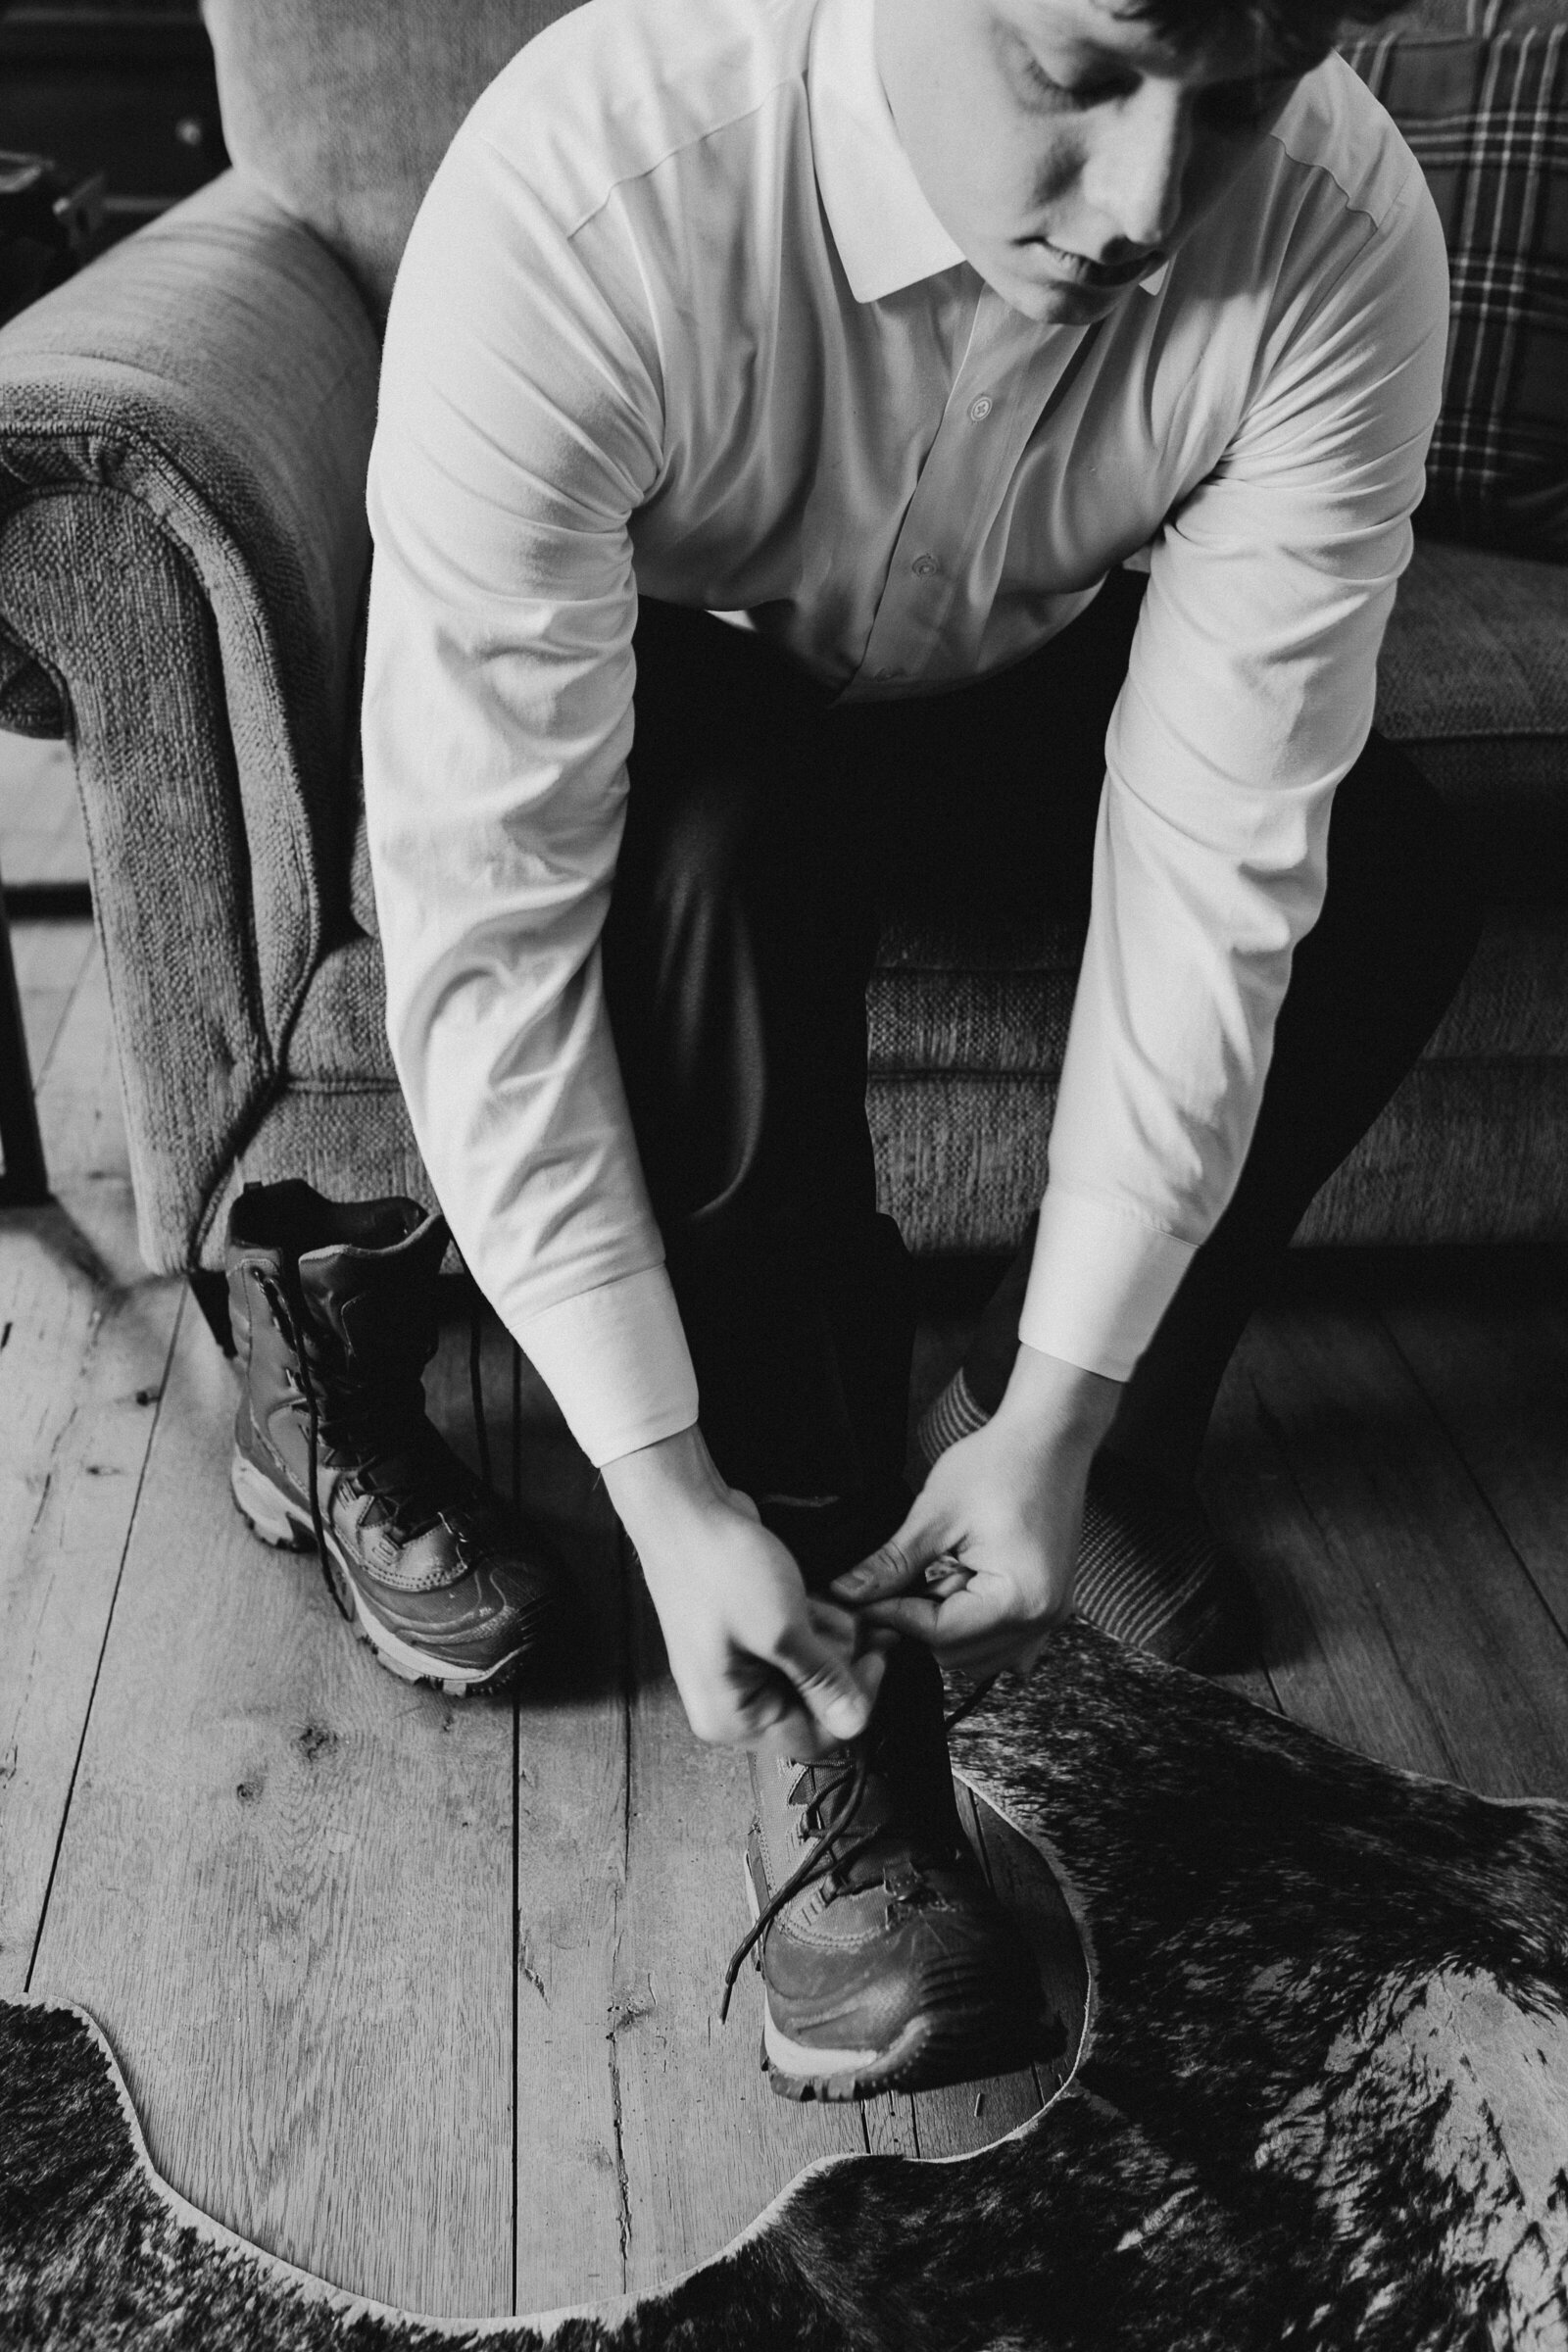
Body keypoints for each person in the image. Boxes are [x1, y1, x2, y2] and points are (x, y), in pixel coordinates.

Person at [348, 0, 1479, 2098]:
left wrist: (1058, 1404)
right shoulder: (586, 195)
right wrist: (656, 1483)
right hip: (686, 700)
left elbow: (1219, 845)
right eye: (1078, 80)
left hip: (1017, 669)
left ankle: (1043, 1417)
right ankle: (837, 1708)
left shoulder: (1335, 233)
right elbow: (484, 922)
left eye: (1228, 104)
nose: (1147, 206)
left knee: (1394, 872)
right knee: (715, 851)